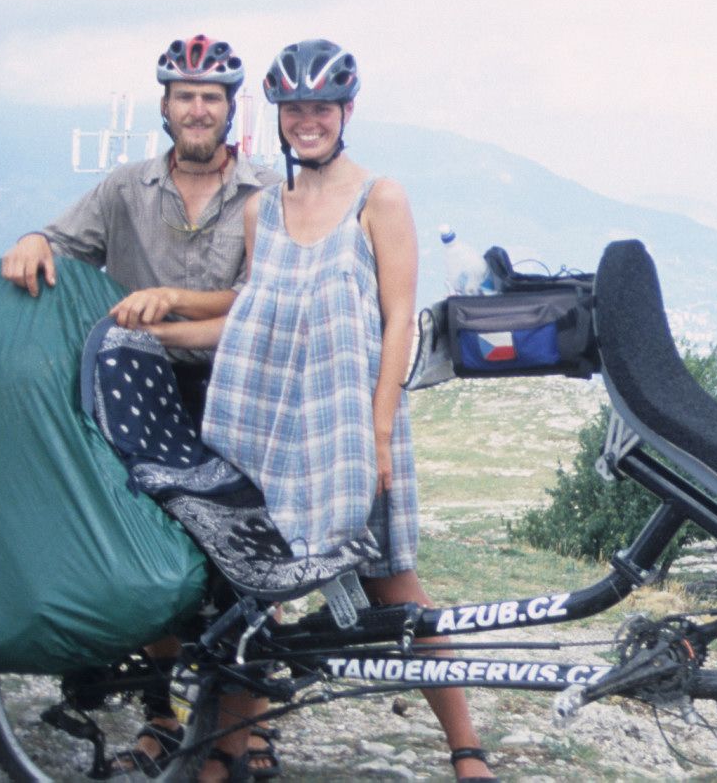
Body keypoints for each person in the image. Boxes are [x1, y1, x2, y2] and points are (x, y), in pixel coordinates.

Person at [148, 39, 493, 783]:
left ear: (346, 112)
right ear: (277, 115)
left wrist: (375, 435)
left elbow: (399, 321)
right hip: (264, 425)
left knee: (393, 586)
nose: (307, 121)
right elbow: (248, 317)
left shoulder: (381, 198)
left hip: (346, 430)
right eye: (294, 109)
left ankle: (466, 750)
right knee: (253, 601)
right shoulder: (262, 211)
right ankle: (226, 754)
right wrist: (152, 330)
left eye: (321, 108)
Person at [0, 33, 284, 777]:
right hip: (143, 399)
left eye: (211, 98)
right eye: (184, 96)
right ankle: (162, 715)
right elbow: (60, 239)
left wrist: (175, 306)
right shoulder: (125, 188)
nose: (197, 109)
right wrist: (34, 240)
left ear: (230, 110)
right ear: (164, 106)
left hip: (235, 391)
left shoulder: (265, 193)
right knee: (151, 557)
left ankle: (245, 725)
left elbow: (265, 300)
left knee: (249, 558)